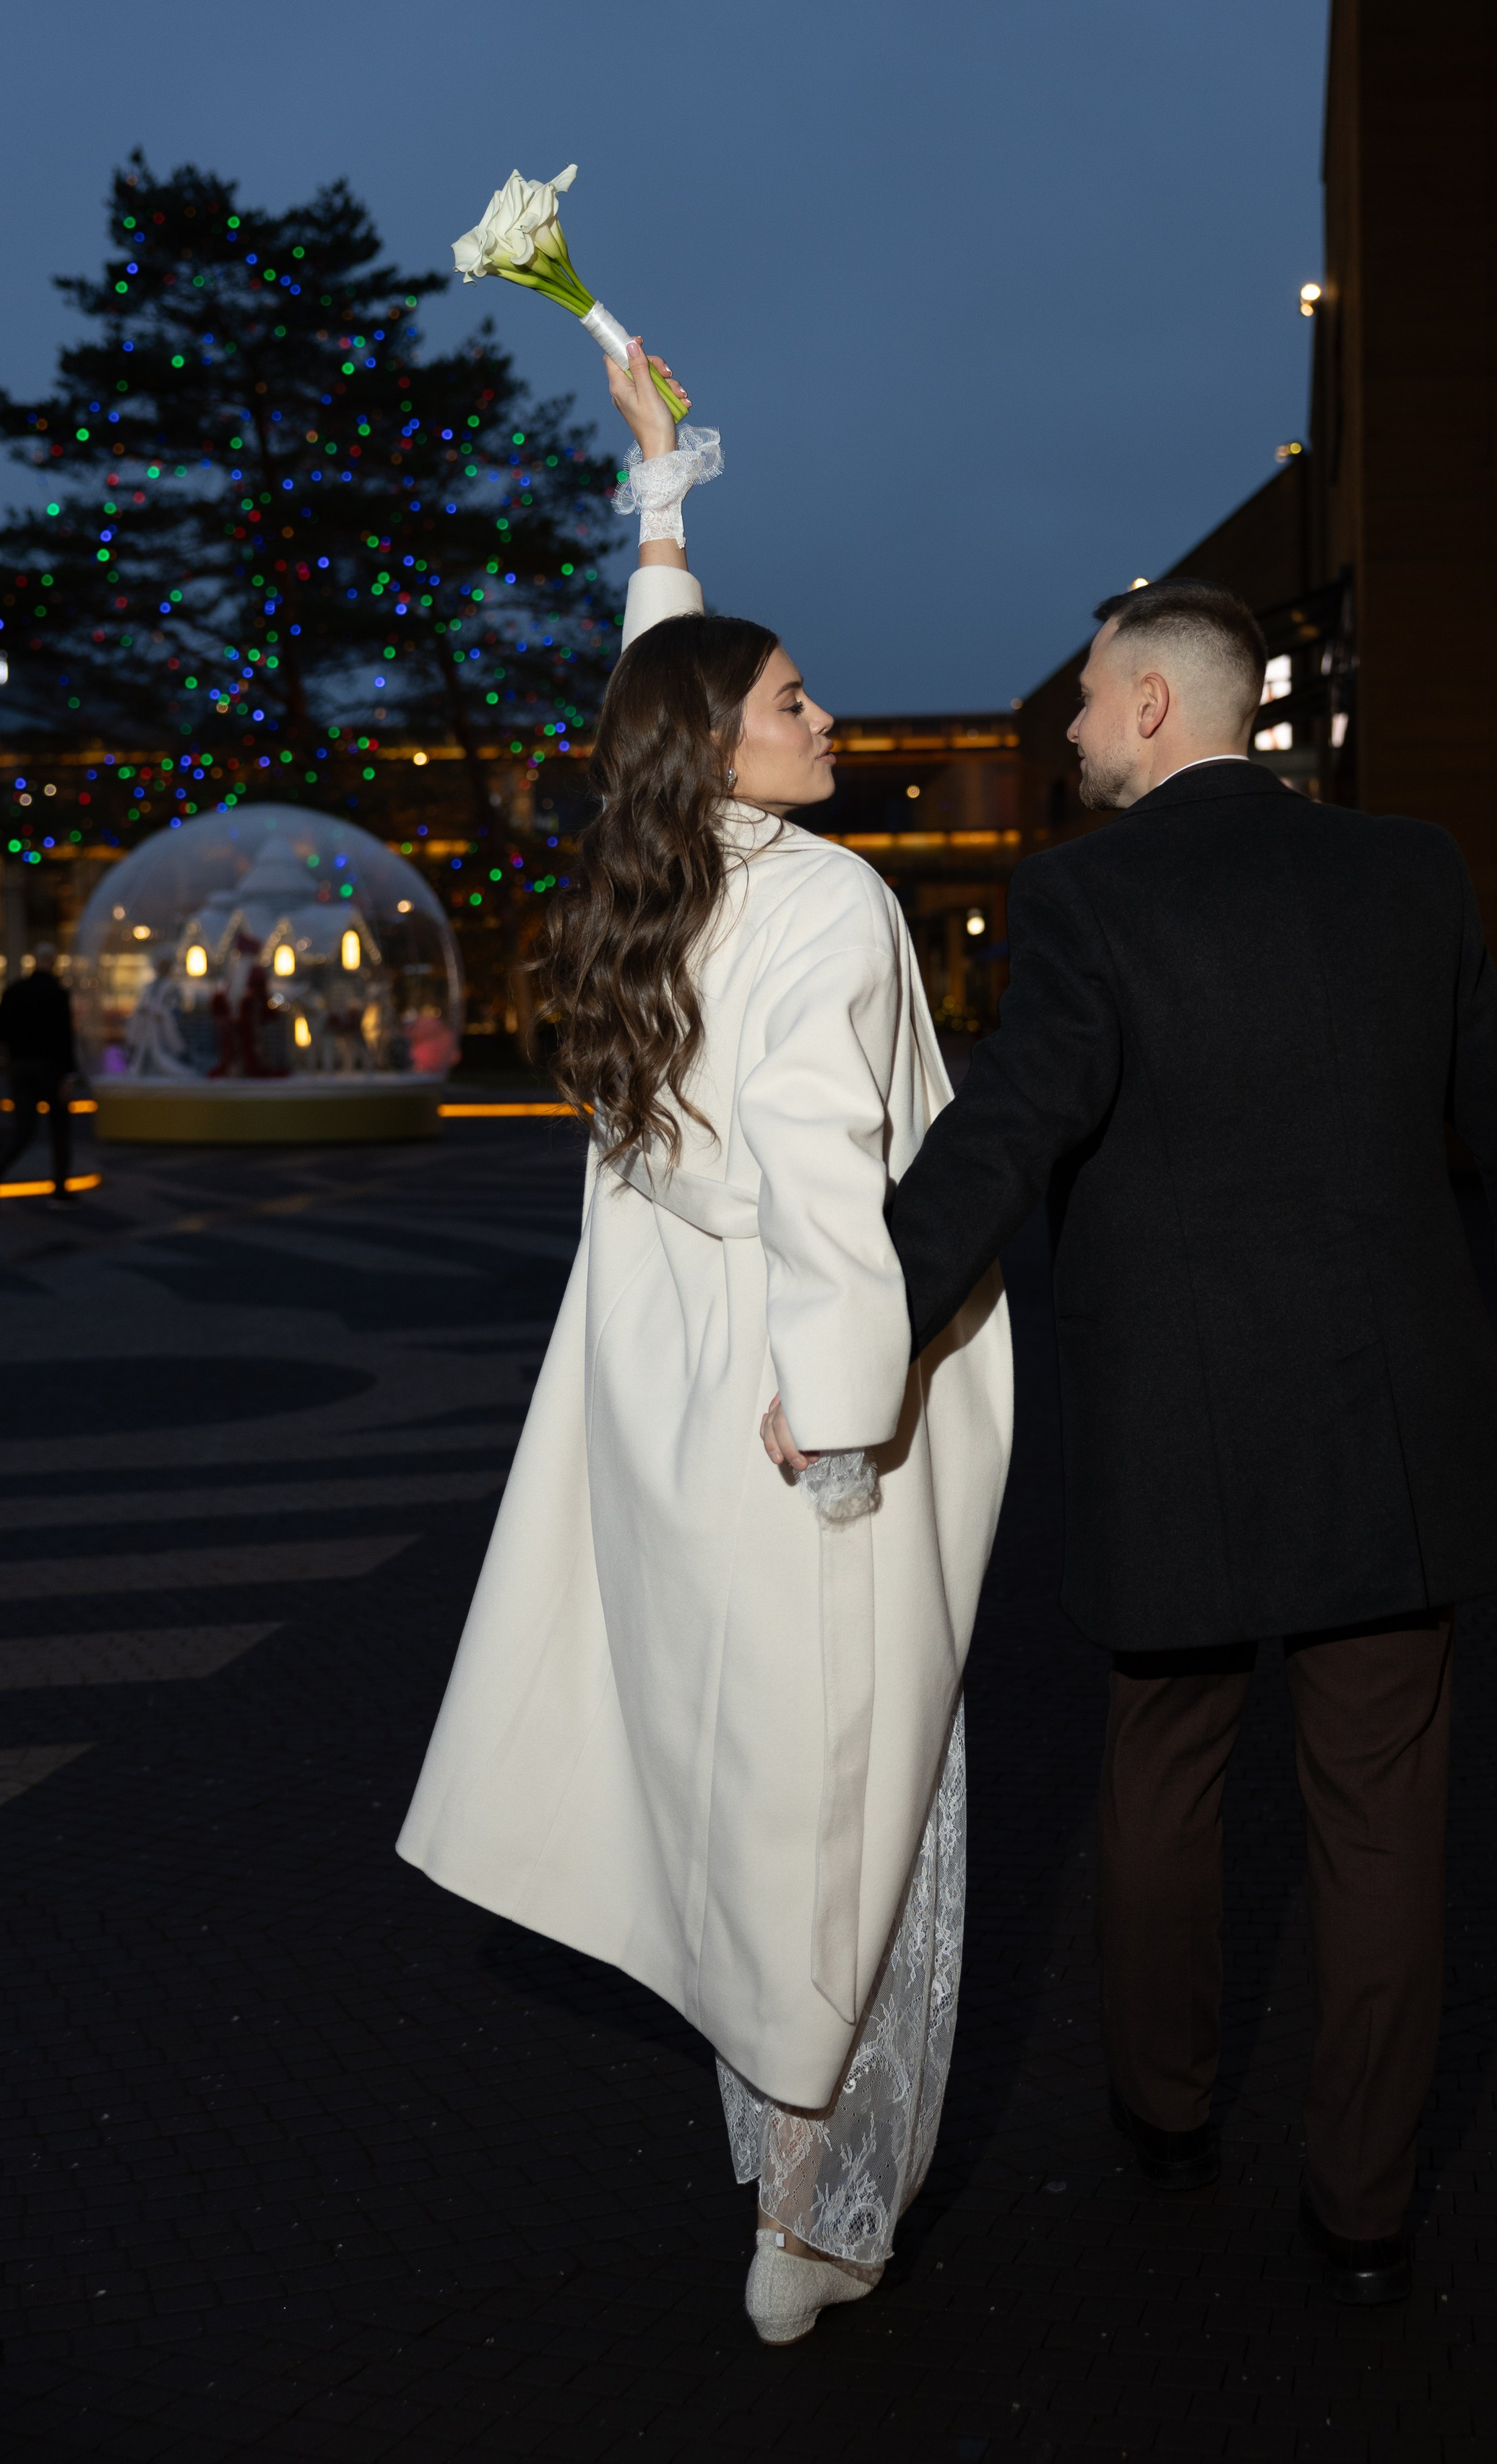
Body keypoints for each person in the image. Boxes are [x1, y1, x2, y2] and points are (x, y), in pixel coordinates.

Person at [863, 581, 1497, 2308]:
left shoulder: (1081, 894)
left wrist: (861, 1323)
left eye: (1079, 699)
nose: (1057, 733)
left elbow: (1009, 1131)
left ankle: (1166, 2114)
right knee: (1380, 1814)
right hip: (1386, 1427)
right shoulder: (1404, 864)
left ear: (1148, 712)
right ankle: (1360, 2204)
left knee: (1163, 1778)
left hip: (1171, 1435)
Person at [399, 340, 1011, 2346]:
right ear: (731, 751)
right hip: (794, 1404)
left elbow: (652, 691)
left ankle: (778, 2166)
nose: (824, 718)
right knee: (859, 1811)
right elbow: (837, 1188)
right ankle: (818, 2223)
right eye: (792, 699)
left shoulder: (643, 886)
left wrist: (662, 499)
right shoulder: (827, 903)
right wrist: (847, 1426)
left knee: (742, 1794)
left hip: (669, 1406)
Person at [0, 943, 78, 1201]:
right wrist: (69, 1075)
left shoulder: (14, 991)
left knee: (23, 1130)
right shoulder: (57, 993)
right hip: (51, 1068)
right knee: (59, 1129)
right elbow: (65, 1038)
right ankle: (59, 1190)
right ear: (53, 961)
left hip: (21, 1067)